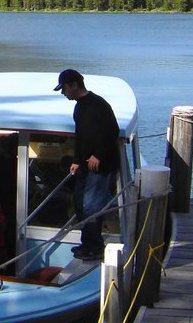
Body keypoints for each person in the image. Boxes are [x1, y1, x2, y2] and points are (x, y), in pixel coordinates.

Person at [55, 68, 120, 262]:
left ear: (74, 85)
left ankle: (95, 246)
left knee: (92, 205)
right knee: (79, 203)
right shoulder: (79, 107)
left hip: (100, 166)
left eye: (64, 88)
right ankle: (87, 242)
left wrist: (98, 155)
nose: (63, 93)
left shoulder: (98, 105)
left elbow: (112, 131)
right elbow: (80, 137)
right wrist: (76, 160)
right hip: (84, 165)